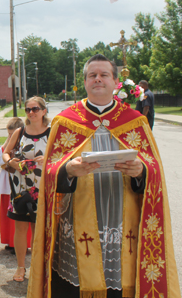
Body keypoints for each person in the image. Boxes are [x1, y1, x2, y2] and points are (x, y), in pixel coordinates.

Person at [27, 54, 180, 297]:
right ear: (85, 82)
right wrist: (67, 170)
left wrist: (142, 171)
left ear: (115, 81)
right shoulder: (65, 121)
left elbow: (154, 169)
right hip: (78, 219)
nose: (98, 79)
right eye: (92, 75)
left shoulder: (136, 122)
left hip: (123, 221)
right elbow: (49, 169)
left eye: (104, 75)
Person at [3, 97, 50, 282]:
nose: (31, 112)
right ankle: (21, 268)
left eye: (35, 109)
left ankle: (39, 267)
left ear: (44, 111)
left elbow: (63, 156)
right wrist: (9, 161)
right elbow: (6, 152)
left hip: (42, 186)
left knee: (39, 228)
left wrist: (48, 160)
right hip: (21, 186)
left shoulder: (52, 132)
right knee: (21, 227)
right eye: (28, 109)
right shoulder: (20, 132)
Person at [0, 117, 25, 252]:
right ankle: (9, 240)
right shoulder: (6, 146)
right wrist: (7, 143)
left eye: (13, 134)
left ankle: (19, 243)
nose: (11, 136)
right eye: (9, 134)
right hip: (7, 185)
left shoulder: (24, 145)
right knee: (7, 214)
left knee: (19, 215)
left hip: (19, 184)